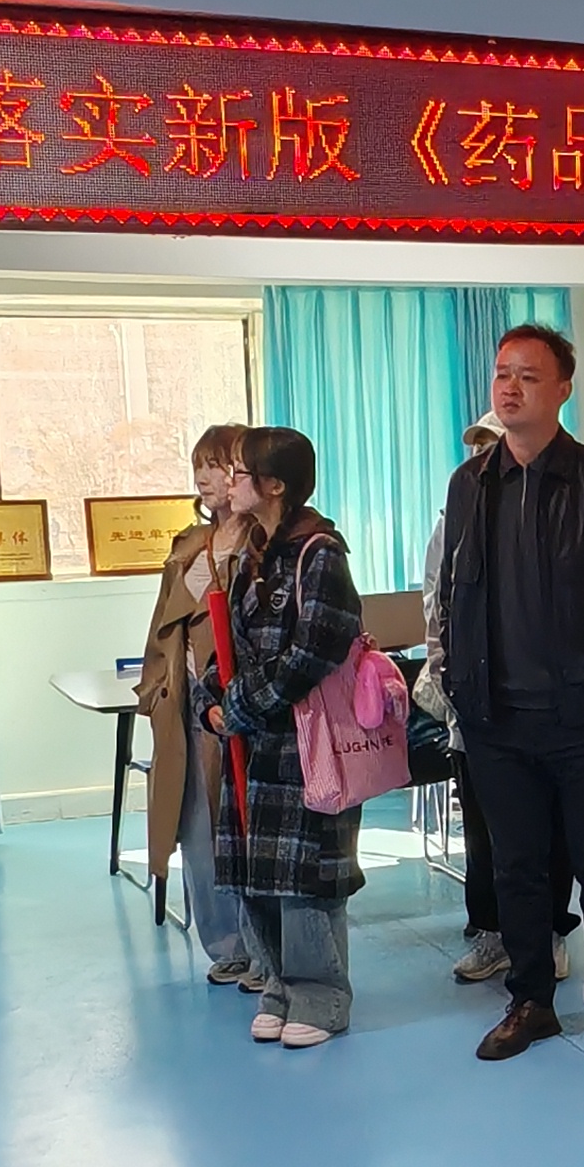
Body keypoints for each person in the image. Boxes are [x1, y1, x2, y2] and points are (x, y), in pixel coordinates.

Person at [437, 323, 584, 1071]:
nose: (510, 388)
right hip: (495, 718)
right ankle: (530, 1000)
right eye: (503, 373)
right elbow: (452, 594)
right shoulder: (470, 484)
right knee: (517, 869)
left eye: (528, 376)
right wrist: (458, 688)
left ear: (563, 389)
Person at [196, 427, 368, 1051]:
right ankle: (277, 987)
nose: (230, 481)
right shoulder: (254, 552)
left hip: (304, 743)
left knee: (306, 880)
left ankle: (321, 996)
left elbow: (315, 651)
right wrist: (211, 700)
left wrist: (242, 706)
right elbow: (229, 646)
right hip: (254, 744)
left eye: (241, 472)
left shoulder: (320, 554)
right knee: (257, 875)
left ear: (274, 485)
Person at [421, 418, 567, 990]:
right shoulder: (452, 520)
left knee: (550, 831)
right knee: (484, 834)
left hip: (545, 705)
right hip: (476, 709)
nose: (486, 458)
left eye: (495, 446)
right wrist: (450, 680)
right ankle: (492, 932)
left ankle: (549, 933)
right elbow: (437, 607)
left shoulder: (560, 508)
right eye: (481, 448)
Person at [138, 423, 257, 984]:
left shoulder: (263, 541)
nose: (205, 478)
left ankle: (262, 944)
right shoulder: (189, 543)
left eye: (217, 465)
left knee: (245, 823)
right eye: (199, 466)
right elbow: (164, 626)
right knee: (197, 827)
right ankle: (225, 943)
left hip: (240, 701)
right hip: (187, 700)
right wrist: (153, 690)